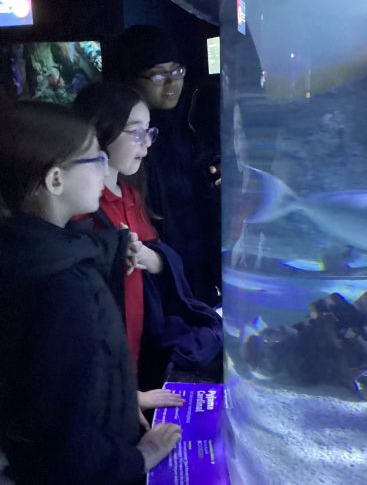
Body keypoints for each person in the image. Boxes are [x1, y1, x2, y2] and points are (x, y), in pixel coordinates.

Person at [0, 101, 180, 484]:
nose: (105, 167)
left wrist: (124, 396)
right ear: (55, 180)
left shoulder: (28, 255)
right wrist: (140, 458)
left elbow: (53, 383)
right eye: (95, 158)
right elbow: (62, 437)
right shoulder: (60, 288)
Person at [72, 82, 223, 390]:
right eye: (136, 132)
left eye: (149, 132)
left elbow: (156, 254)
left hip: (139, 339)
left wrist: (144, 256)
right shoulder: (79, 206)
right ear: (99, 130)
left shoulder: (130, 194)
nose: (147, 143)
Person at [108, 24, 221, 306]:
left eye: (177, 71)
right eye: (158, 75)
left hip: (200, 270)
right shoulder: (118, 144)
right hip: (153, 281)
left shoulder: (195, 123)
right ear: (129, 78)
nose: (172, 82)